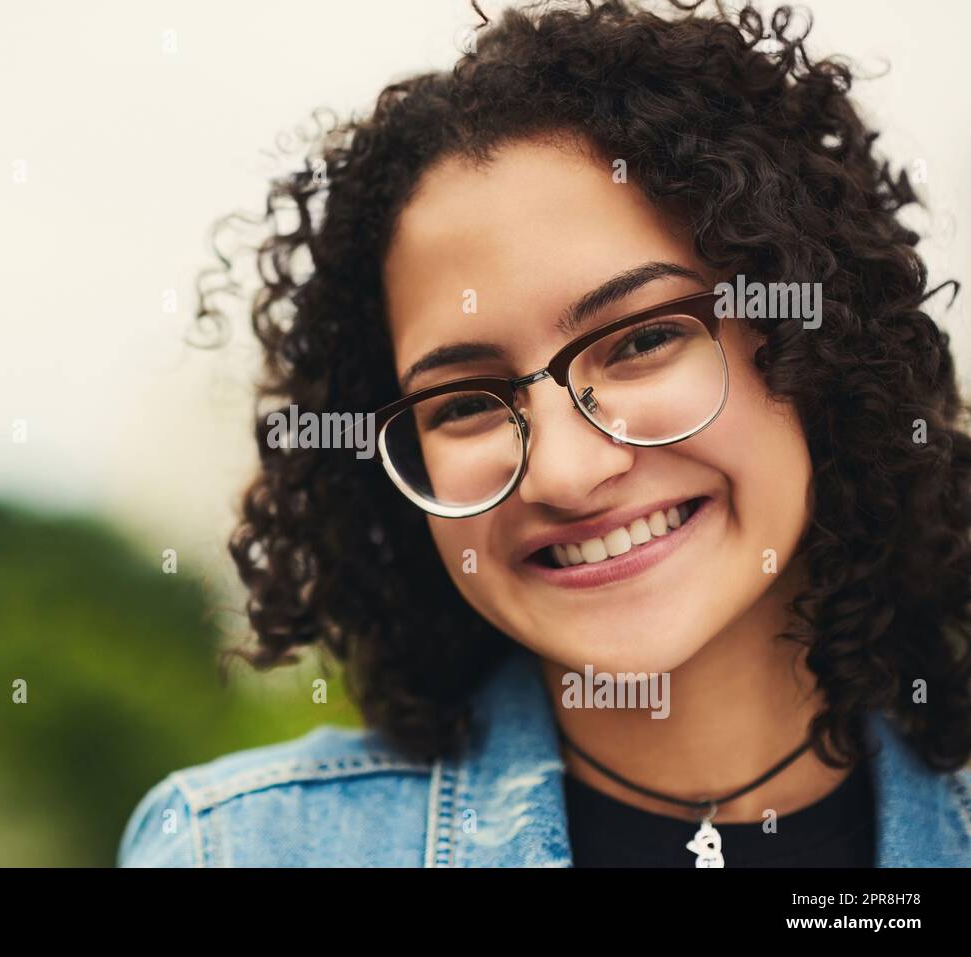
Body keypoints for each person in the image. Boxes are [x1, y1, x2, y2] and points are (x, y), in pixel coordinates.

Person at [118, 0, 971, 867]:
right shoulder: (235, 849)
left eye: (642, 340)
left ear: (810, 340)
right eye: (466, 402)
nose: (564, 472)